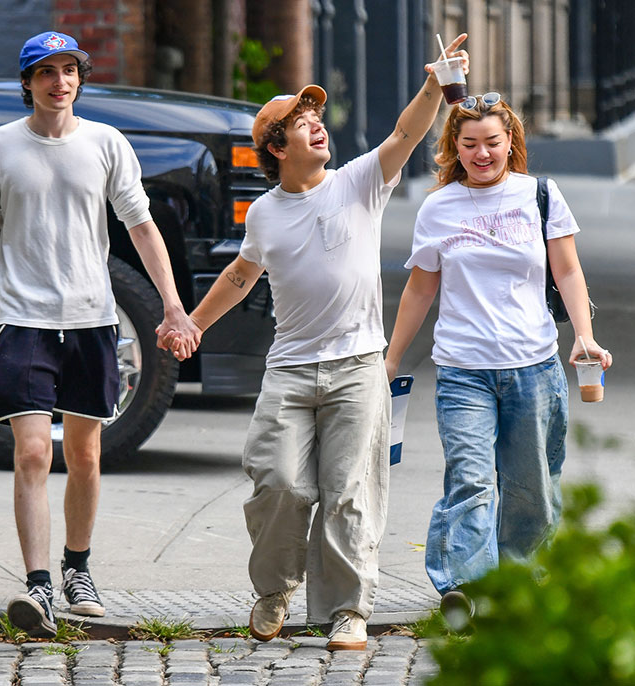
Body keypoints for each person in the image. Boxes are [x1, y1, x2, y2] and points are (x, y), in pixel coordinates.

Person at [164, 36, 469, 650]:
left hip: (357, 365)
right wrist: (191, 322)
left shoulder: (358, 182)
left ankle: (347, 610)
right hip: (290, 371)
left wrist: (435, 85)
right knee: (279, 481)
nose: (317, 129)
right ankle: (274, 589)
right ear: (276, 147)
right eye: (302, 125)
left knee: (349, 490)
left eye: (317, 120)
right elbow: (240, 275)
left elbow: (407, 134)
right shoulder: (264, 215)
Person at [0, 31, 199, 636]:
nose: (58, 82)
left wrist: (173, 307)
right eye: (46, 72)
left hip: (92, 319)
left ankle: (78, 568)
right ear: (27, 83)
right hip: (22, 322)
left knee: (87, 455)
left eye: (68, 70)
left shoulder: (106, 143)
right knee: (34, 451)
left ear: (79, 78)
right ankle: (38, 585)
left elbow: (142, 227)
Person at [383, 92, 613, 622]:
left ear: (511, 141)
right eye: (470, 144)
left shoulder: (541, 196)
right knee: (471, 477)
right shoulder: (438, 207)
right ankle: (463, 586)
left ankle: (518, 583)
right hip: (463, 369)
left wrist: (584, 334)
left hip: (533, 366)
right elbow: (420, 289)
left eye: (492, 142)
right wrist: (393, 358)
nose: (482, 153)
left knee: (531, 485)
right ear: (454, 148)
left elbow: (569, 272)